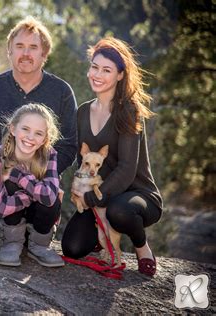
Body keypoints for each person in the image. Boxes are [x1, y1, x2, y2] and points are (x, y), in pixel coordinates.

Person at [61, 37, 163, 276]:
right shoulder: (83, 112)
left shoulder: (129, 111)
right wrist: (79, 189)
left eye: (106, 70)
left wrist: (93, 200)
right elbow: (81, 161)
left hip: (137, 196)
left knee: (119, 211)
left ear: (120, 75)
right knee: (72, 248)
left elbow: (127, 170)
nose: (97, 74)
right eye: (94, 67)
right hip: (98, 193)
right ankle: (100, 234)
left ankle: (141, 247)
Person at [0, 16, 77, 176]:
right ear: (9, 51)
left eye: (33, 47)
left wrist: (41, 175)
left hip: (42, 181)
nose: (25, 53)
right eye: (19, 46)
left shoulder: (62, 92)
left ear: (44, 54)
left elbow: (69, 145)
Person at [0, 103, 64, 268]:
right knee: (10, 186)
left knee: (53, 198)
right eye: (25, 129)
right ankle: (11, 241)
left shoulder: (49, 154)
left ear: (45, 139)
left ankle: (39, 246)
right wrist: (34, 192)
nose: (30, 137)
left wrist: (17, 175)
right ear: (13, 129)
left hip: (36, 219)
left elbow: (49, 198)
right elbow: (1, 207)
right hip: (9, 217)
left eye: (38, 133)